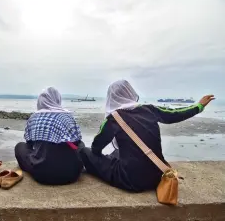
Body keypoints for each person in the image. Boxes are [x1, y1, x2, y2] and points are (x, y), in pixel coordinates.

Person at [80, 80, 214, 192]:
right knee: (118, 152)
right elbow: (175, 114)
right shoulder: (149, 109)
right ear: (131, 93)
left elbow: (96, 148)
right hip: (157, 176)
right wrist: (199, 106)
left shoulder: (113, 119)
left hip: (130, 181)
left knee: (85, 152)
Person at [15, 87, 84, 185]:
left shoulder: (34, 118)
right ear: (58, 99)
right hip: (72, 174)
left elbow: (29, 144)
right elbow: (77, 142)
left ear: (40, 101)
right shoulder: (68, 117)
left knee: (20, 147)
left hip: (43, 175)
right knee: (81, 144)